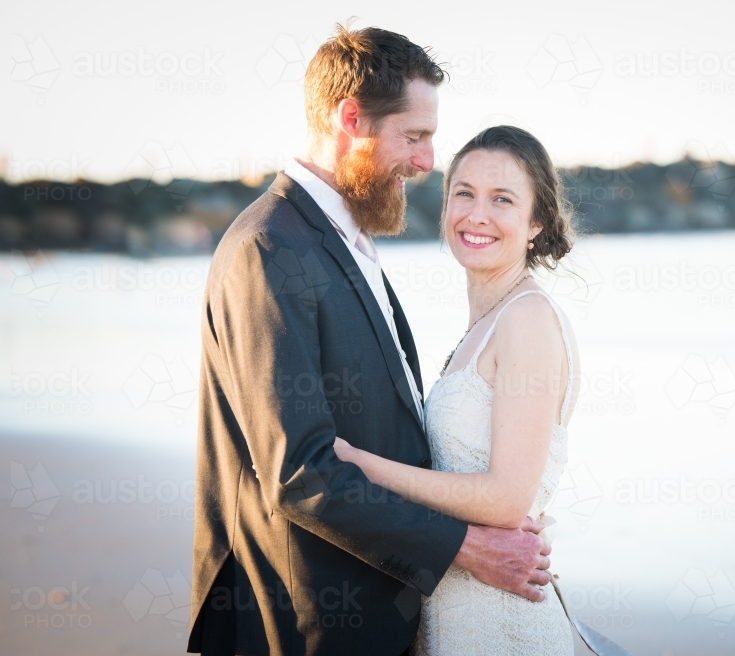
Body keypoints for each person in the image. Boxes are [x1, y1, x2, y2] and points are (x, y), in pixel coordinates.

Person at [187, 26, 552, 656]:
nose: (427, 162)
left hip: (380, 613)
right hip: (309, 622)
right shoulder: (268, 249)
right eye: (413, 136)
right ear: (350, 119)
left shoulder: (347, 241)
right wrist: (468, 547)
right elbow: (300, 471)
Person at [333, 125, 579, 655]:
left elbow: (508, 499)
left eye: (503, 200)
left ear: (536, 222)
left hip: (502, 623)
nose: (477, 214)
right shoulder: (483, 326)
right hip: (458, 608)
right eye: (463, 193)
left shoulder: (528, 318)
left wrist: (363, 466)